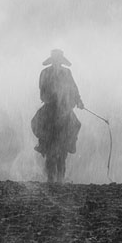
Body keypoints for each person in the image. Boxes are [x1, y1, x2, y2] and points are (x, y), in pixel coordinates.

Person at [31, 49, 84, 183]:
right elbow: (42, 92)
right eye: (55, 61)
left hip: (64, 108)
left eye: (58, 61)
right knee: (37, 122)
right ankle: (43, 145)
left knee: (76, 124)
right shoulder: (45, 73)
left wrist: (78, 101)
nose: (57, 63)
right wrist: (52, 97)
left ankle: (68, 148)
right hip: (50, 107)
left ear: (61, 61)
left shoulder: (67, 73)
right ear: (52, 61)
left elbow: (74, 88)